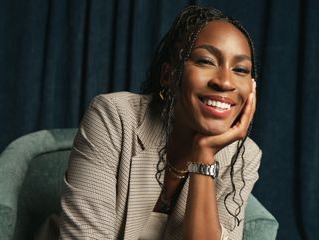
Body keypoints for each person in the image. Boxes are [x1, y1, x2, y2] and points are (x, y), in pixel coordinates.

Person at [57, 4, 260, 240]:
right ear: (168, 75)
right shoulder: (114, 117)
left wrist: (204, 156)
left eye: (241, 69)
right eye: (206, 61)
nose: (225, 82)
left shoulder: (244, 156)